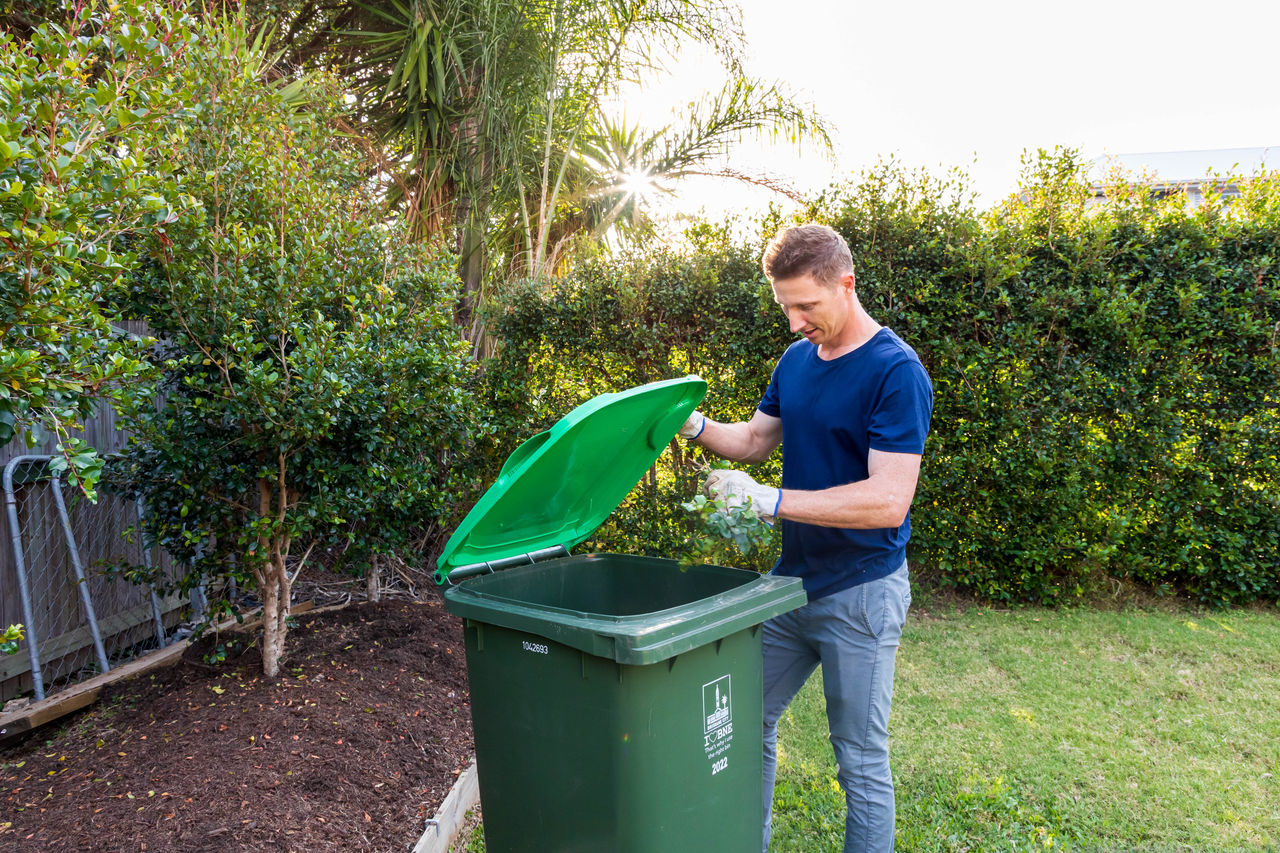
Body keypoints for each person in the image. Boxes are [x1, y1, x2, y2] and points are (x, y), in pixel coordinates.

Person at [679, 223, 933, 853]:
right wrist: (691, 423)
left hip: (862, 593)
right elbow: (755, 442)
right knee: (742, 723)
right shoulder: (796, 361)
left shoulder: (895, 372)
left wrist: (771, 500)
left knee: (859, 759)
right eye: (785, 307)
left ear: (845, 285)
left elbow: (887, 500)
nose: (794, 322)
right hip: (789, 589)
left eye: (805, 306)